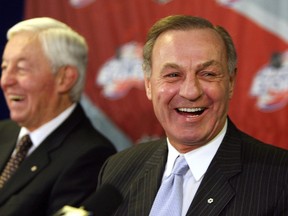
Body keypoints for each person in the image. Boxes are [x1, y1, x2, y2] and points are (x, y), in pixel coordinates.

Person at [96, 15, 288, 215]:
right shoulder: (117, 170)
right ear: (148, 85)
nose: (190, 91)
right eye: (173, 75)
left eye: (208, 74)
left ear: (230, 82)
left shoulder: (280, 179)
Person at [0, 17, 116, 216]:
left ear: (64, 78)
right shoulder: (3, 131)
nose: (6, 81)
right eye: (4, 67)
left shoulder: (90, 156)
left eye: (21, 69)